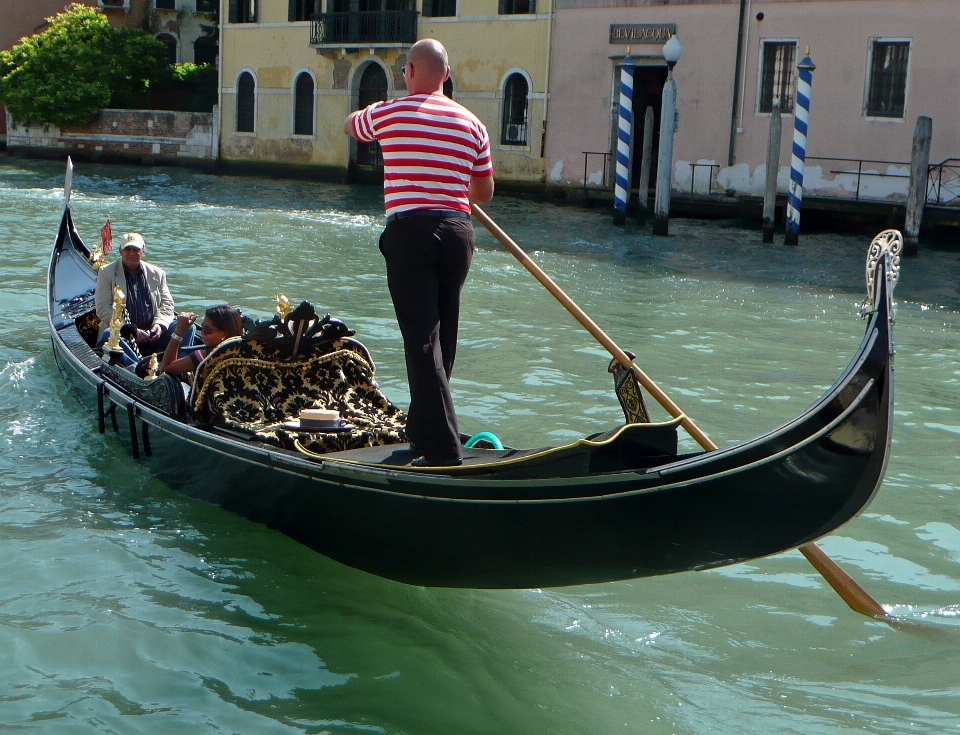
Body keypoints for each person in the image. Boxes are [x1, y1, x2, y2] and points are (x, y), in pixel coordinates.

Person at [344, 39, 494, 467]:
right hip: (457, 232)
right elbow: (482, 192)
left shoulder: (390, 113)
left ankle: (445, 450)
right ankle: (424, 434)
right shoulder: (472, 124)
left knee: (421, 340)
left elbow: (351, 125)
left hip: (411, 233)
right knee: (443, 339)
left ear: (408, 71)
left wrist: (371, 114)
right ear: (447, 75)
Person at [94, 232, 183, 356]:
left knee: (187, 327)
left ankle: (177, 366)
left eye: (136, 249)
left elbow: (167, 304)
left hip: (152, 332)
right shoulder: (106, 273)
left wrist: (159, 325)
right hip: (124, 333)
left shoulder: (157, 273)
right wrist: (132, 330)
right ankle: (134, 367)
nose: (132, 253)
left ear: (143, 251)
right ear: (120, 251)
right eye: (127, 249)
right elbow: (103, 309)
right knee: (108, 333)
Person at [159, 304, 243, 377]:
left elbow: (166, 367)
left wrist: (178, 331)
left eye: (207, 329)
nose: (202, 332)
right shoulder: (246, 351)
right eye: (202, 327)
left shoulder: (204, 356)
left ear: (224, 334)